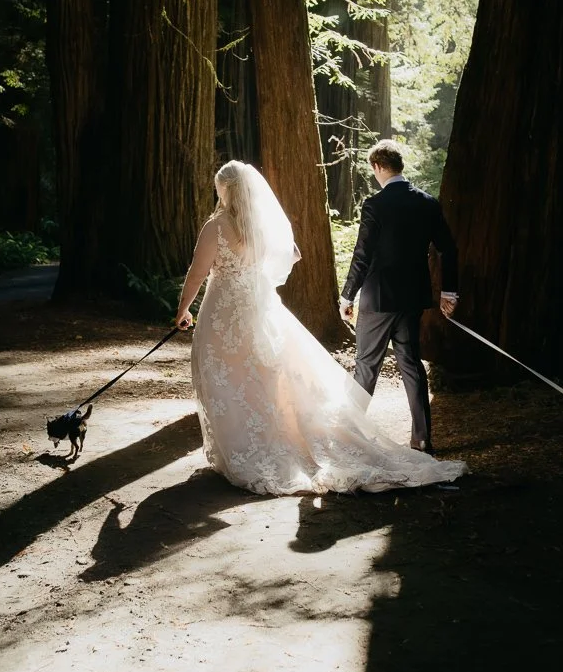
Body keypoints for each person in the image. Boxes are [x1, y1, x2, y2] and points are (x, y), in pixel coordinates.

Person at [173, 160, 466, 496]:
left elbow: (198, 273)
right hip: (267, 308)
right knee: (267, 376)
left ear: (223, 189)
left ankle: (251, 446)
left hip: (227, 313)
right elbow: (290, 253)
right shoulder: (260, 224)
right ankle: (417, 437)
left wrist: (183, 309)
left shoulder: (217, 226)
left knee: (228, 377)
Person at [339, 140, 458, 453]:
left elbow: (362, 255)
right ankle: (422, 438)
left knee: (366, 366)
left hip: (377, 300)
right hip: (411, 300)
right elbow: (449, 248)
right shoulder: (427, 203)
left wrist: (347, 295)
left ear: (378, 166)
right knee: (412, 366)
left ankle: (348, 437)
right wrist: (449, 291)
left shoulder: (375, 205)